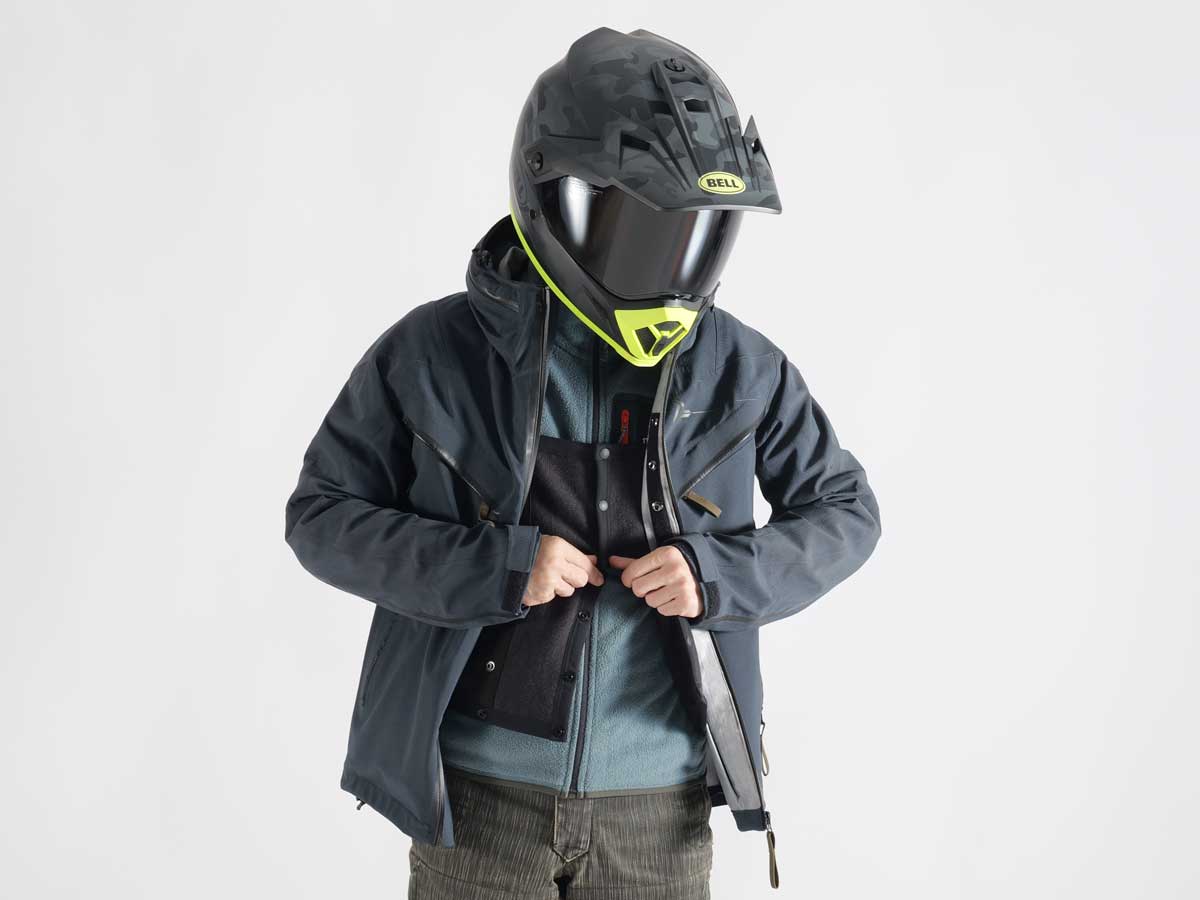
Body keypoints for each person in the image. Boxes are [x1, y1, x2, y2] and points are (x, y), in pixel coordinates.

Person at [285, 26, 881, 900]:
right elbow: (322, 517)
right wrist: (494, 566)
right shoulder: (432, 353)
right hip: (478, 807)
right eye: (642, 225)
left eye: (694, 232)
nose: (669, 262)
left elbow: (846, 513)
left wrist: (716, 575)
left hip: (660, 813)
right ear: (554, 201)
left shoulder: (742, 368)